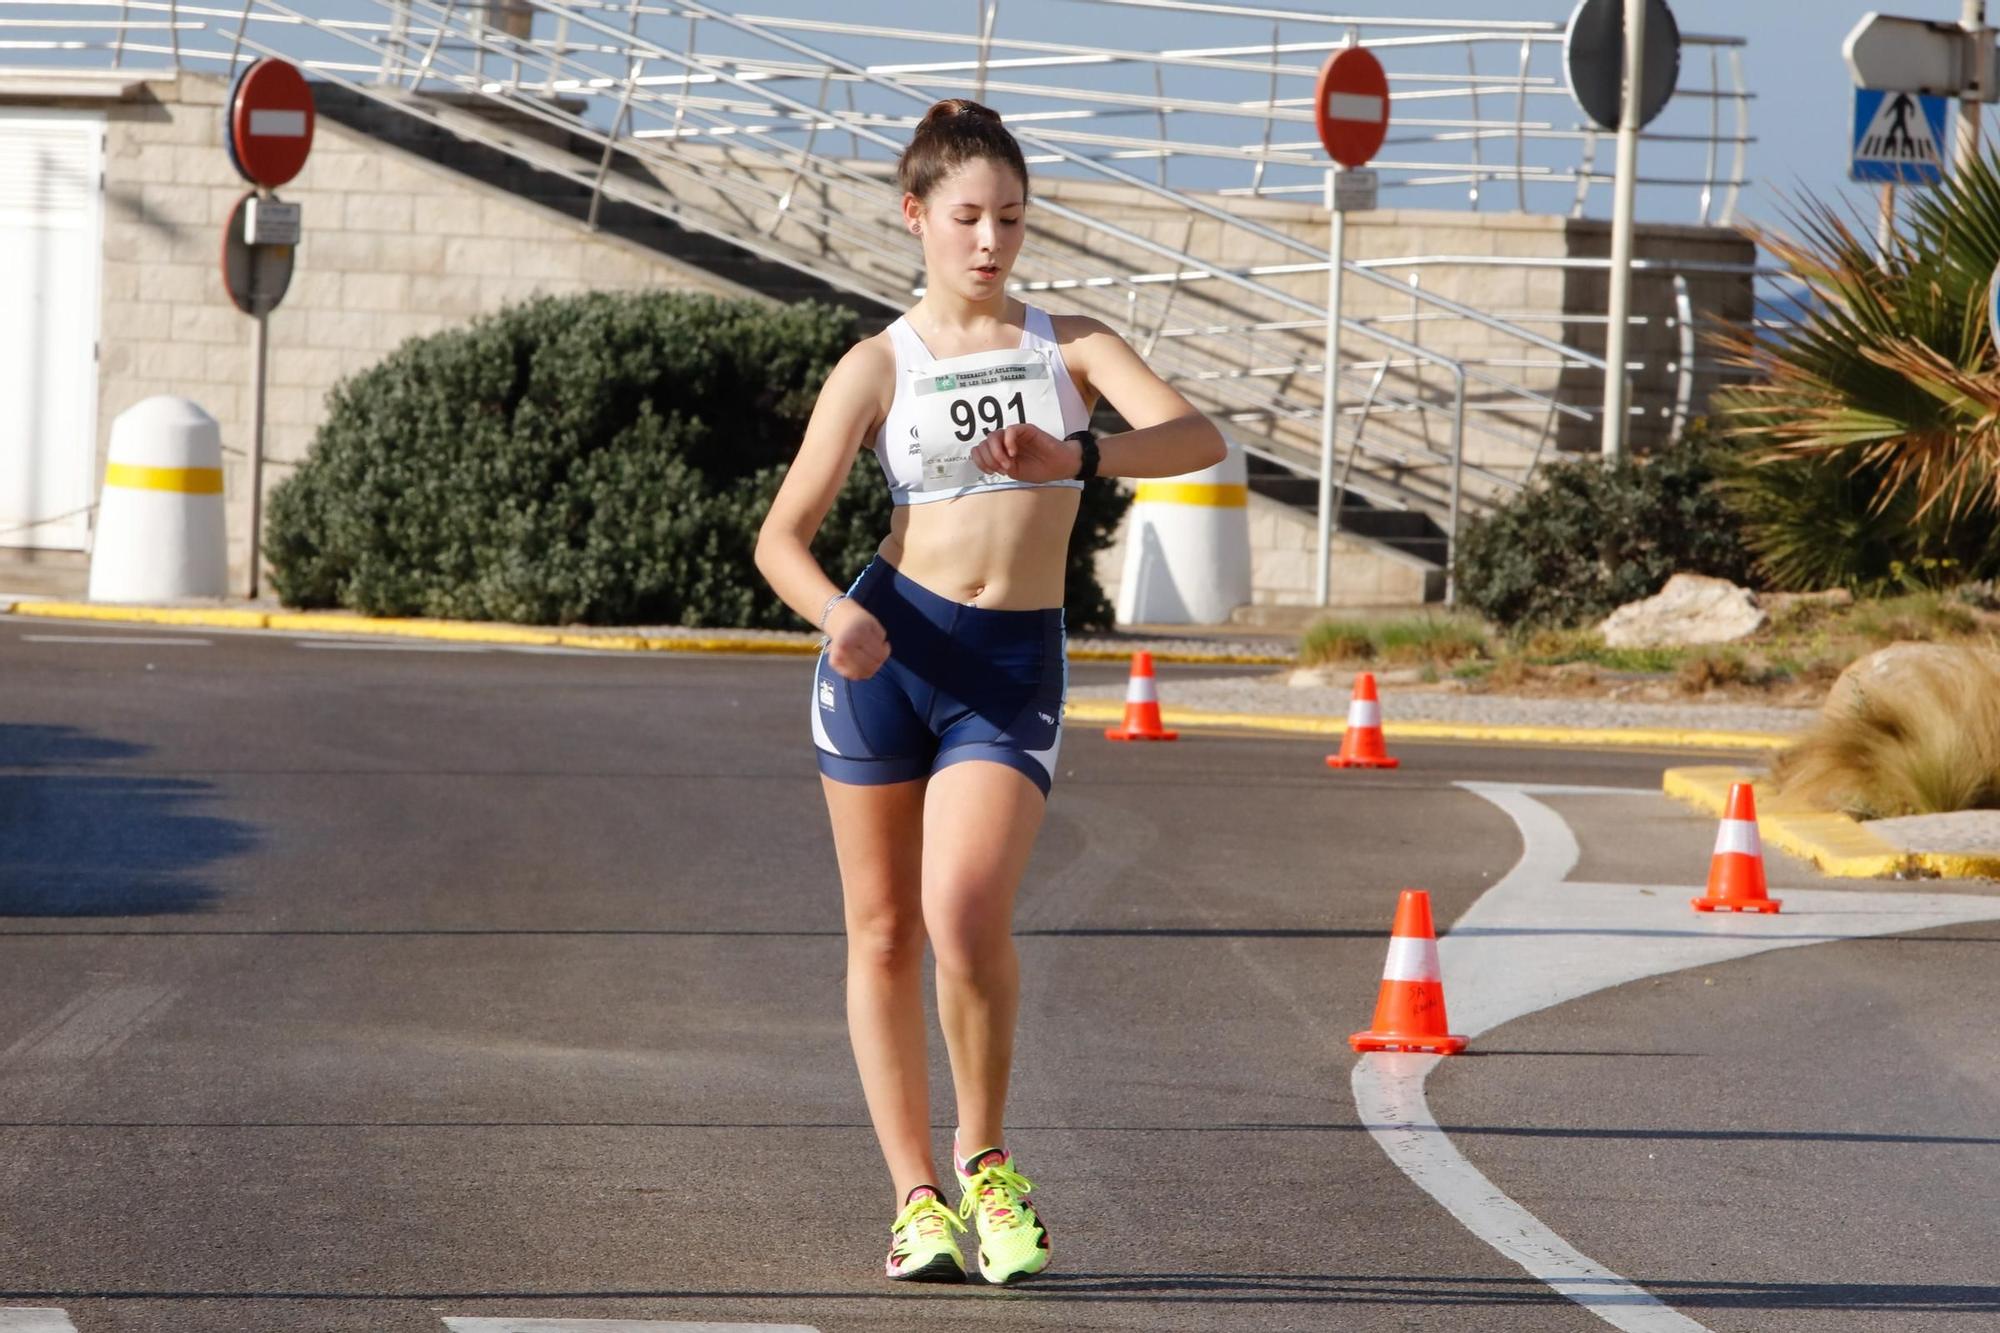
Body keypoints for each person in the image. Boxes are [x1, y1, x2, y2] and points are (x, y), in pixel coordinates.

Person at [753, 97, 1225, 1286]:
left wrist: (1078, 456)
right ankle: (914, 1196)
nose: (988, 242)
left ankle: (987, 1162)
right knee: (879, 930)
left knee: (961, 912)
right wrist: (838, 614)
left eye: (1009, 218)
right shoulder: (876, 365)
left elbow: (1196, 436)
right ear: (915, 216)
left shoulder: (1070, 348)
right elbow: (780, 537)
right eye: (966, 217)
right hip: (886, 650)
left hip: (1008, 669)